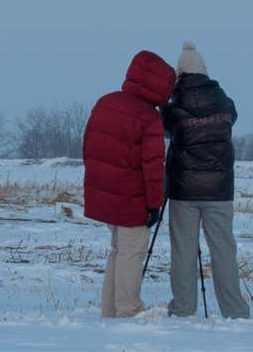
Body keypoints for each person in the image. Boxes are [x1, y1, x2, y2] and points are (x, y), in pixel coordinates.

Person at [83, 50, 176, 318]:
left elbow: (89, 147)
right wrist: (155, 204)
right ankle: (127, 310)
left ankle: (109, 310)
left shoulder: (105, 102)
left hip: (106, 193)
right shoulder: (148, 117)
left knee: (117, 250)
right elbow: (153, 167)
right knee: (131, 253)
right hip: (132, 198)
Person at [162, 42, 250, 319]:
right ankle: (235, 310)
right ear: (204, 71)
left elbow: (164, 129)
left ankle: (182, 308)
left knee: (183, 252)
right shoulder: (225, 103)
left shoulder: (173, 108)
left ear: (180, 74)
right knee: (224, 251)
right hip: (221, 189)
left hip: (183, 189)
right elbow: (231, 120)